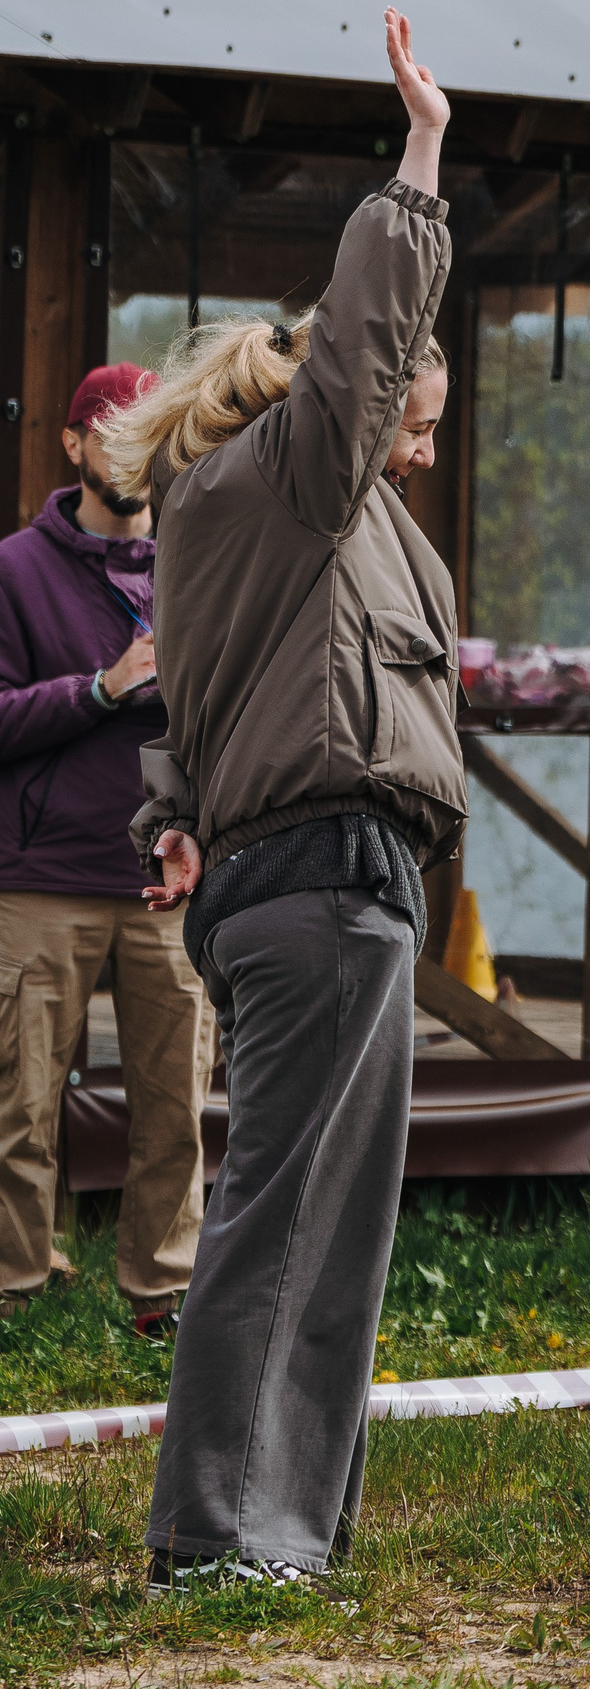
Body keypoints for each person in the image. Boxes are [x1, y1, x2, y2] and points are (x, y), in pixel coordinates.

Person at [100, 9, 463, 1592]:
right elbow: (365, 336)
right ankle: (224, 1532)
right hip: (323, 883)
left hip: (305, 880)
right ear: (342, 401)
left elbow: (184, 718)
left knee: (315, 1218)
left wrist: (171, 824)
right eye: (416, 425)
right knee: (292, 1217)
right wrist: (421, 163)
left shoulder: (226, 517)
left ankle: (275, 1524)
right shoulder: (298, 480)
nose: (420, 456)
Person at [0, 363, 216, 1335]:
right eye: (109, 432)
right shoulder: (14, 569)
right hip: (39, 878)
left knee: (176, 1104)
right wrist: (101, 687)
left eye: (147, 434)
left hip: (164, 881)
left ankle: (161, 1291)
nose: (127, 451)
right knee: (17, 1106)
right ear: (75, 444)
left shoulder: (199, 563)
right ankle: (11, 1285)